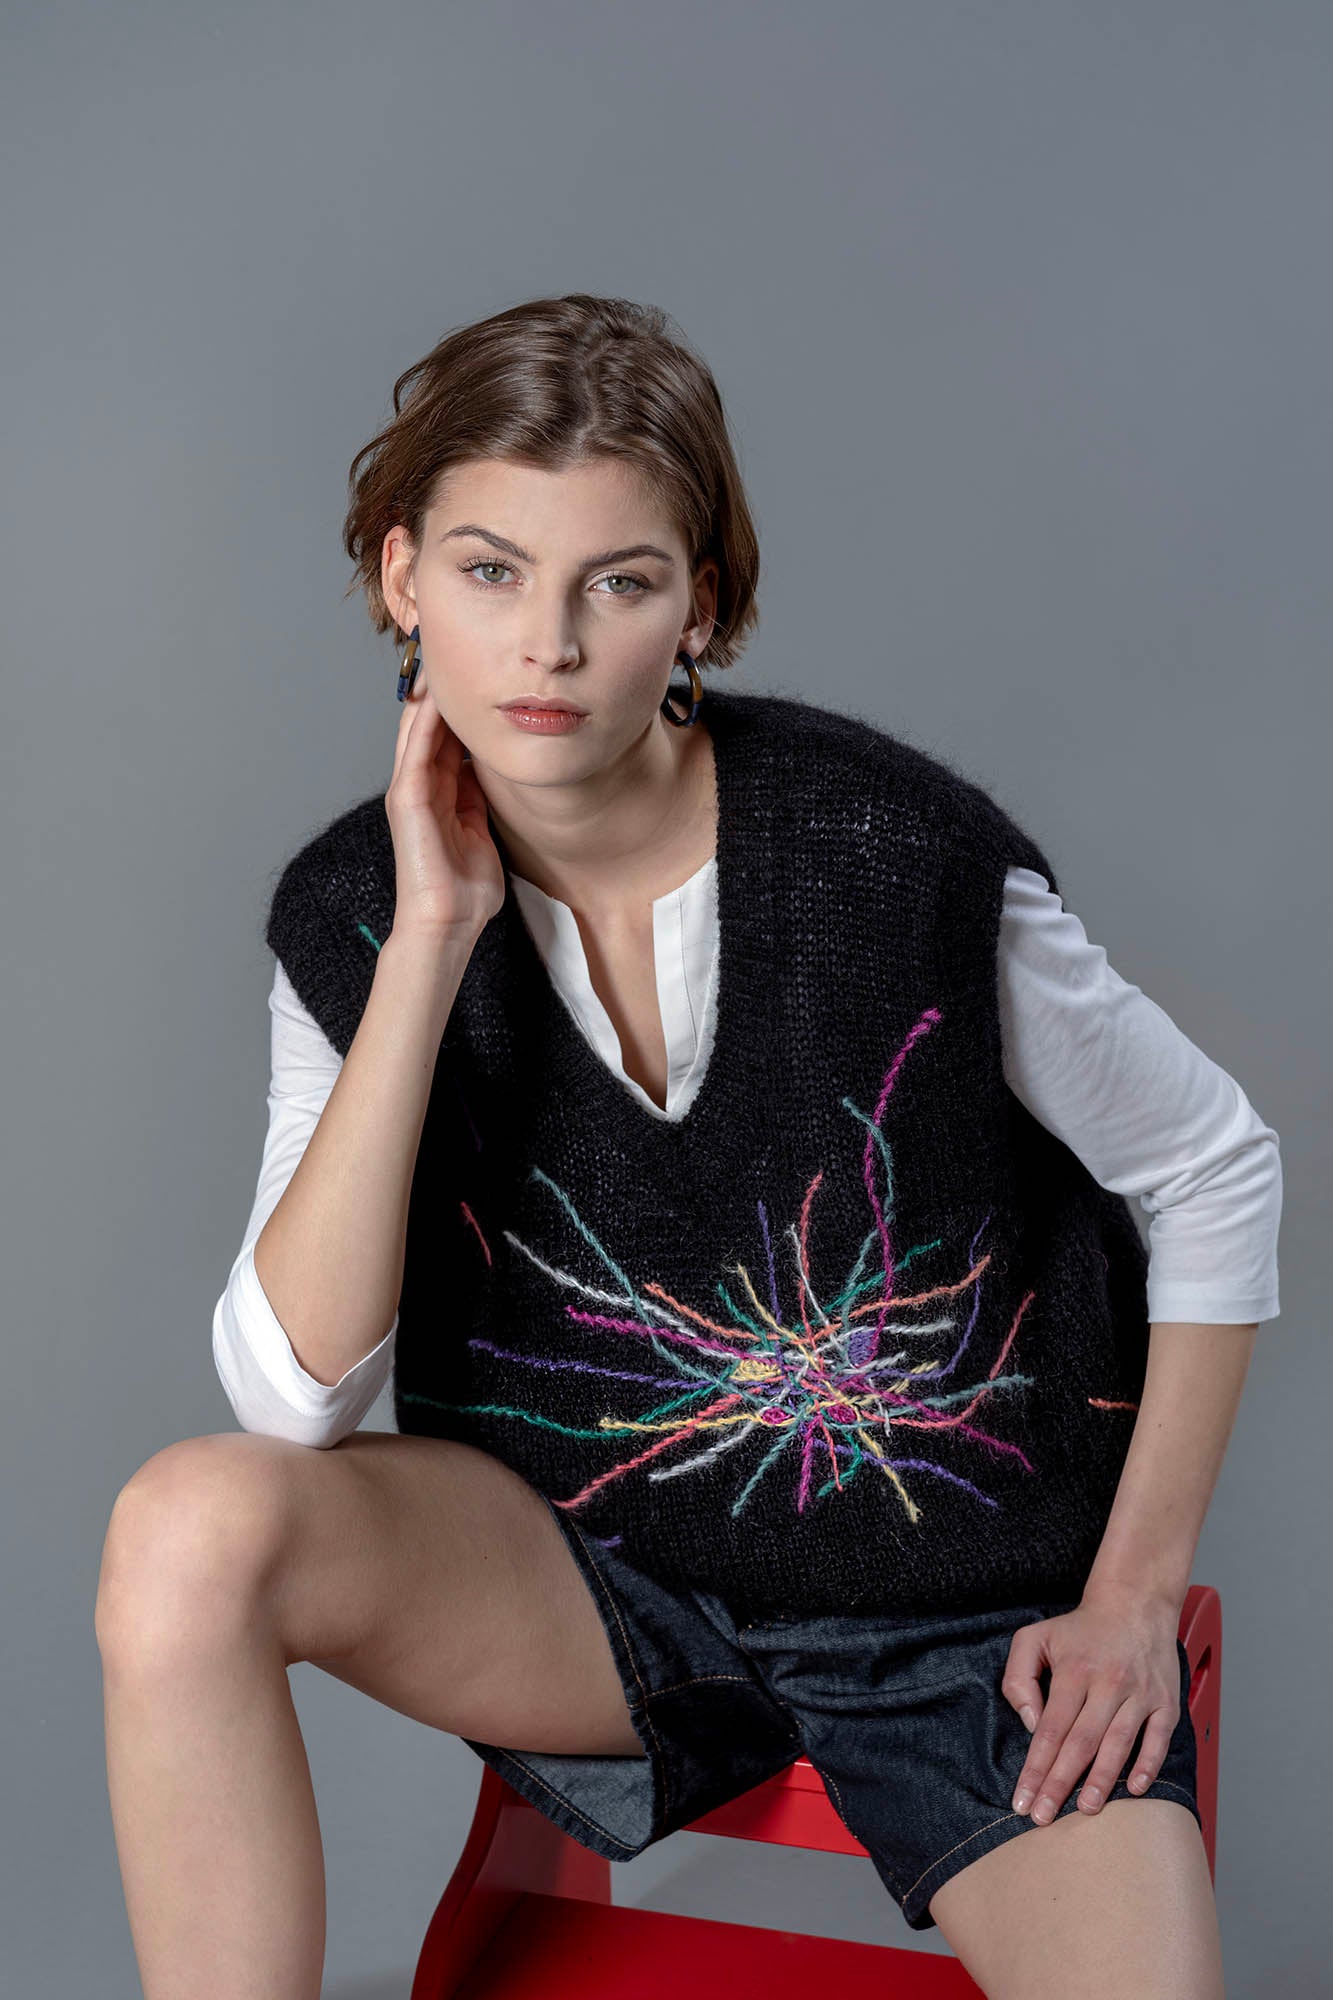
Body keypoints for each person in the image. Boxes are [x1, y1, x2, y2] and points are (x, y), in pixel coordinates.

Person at [97, 293, 1279, 1998]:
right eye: (492, 573)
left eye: (619, 582)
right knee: (187, 1526)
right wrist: (431, 944)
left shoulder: (895, 855)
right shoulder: (354, 914)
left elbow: (1213, 1168)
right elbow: (290, 1408)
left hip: (963, 1619)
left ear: (701, 608)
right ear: (397, 578)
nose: (548, 648)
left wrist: (1131, 1595)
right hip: (590, 1580)